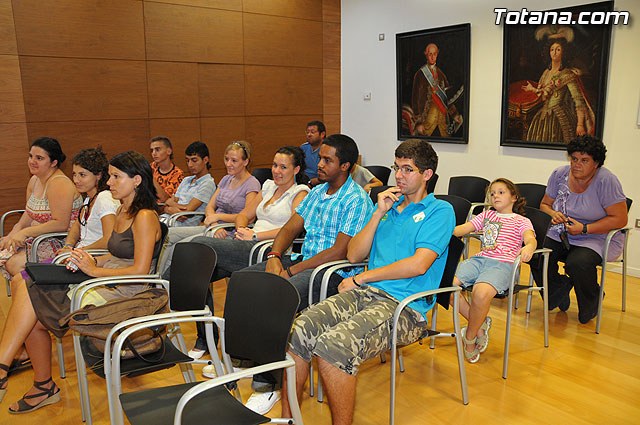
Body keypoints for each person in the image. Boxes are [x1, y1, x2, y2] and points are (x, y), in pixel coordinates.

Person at [280, 139, 455, 425]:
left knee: (333, 347)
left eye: (408, 169)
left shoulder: (440, 212)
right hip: (367, 294)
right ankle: (289, 420)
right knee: (299, 328)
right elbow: (354, 253)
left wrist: (362, 278)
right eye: (396, 168)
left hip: (406, 308)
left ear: (427, 174)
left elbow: (419, 264)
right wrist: (377, 213)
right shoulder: (387, 207)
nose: (399, 175)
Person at [0, 150, 163, 414]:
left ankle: (20, 375)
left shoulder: (145, 216)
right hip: (104, 279)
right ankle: (33, 381)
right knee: (29, 288)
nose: (109, 183)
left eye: (115, 177)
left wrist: (95, 271)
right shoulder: (124, 210)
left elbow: (141, 270)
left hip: (125, 292)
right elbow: (117, 252)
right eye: (109, 176)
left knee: (31, 300)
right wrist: (87, 259)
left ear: (136, 180)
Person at [240, 134, 374, 415]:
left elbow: (340, 251)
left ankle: (267, 386)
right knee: (247, 283)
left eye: (328, 160)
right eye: (320, 157)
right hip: (302, 262)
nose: (320, 164)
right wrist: (275, 257)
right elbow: (290, 228)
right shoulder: (316, 192)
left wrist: (291, 270)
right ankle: (259, 360)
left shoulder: (355, 199)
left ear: (346, 165)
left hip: (331, 273)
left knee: (272, 297)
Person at [187, 146, 310, 365]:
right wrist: (243, 228)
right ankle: (205, 340)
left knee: (198, 245)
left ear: (296, 169)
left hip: (267, 249)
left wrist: (256, 234)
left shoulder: (300, 192)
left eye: (283, 167)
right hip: (246, 243)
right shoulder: (269, 186)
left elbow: (291, 229)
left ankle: (166, 284)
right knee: (199, 272)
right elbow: (244, 214)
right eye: (274, 165)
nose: (277, 171)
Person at [531, 136, 627, 324]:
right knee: (536, 251)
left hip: (596, 237)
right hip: (562, 232)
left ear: (596, 163)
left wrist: (585, 228)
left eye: (584, 160)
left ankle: (592, 301)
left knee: (577, 263)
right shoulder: (559, 175)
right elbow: (544, 204)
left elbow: (620, 219)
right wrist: (552, 214)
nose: (577, 165)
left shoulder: (607, 181)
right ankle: (558, 289)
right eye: (574, 159)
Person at [452, 178, 536, 363]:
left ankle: (469, 338)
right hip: (480, 260)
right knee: (447, 287)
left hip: (503, 264)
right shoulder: (486, 215)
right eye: (492, 193)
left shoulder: (521, 221)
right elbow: (463, 229)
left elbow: (530, 239)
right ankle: (480, 327)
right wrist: (443, 230)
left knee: (480, 294)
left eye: (501, 192)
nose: (495, 195)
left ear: (514, 197)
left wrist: (529, 247)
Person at [157, 141, 260, 276]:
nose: (228, 164)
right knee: (169, 236)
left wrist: (218, 218)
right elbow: (210, 206)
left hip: (231, 232)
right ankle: (160, 280)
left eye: (234, 161)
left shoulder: (252, 183)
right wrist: (215, 223)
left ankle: (169, 283)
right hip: (214, 227)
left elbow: (248, 216)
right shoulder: (226, 179)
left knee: (182, 247)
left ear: (246, 162)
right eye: (227, 159)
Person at [0, 137, 82, 281]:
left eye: (39, 158)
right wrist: (13, 234)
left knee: (13, 264)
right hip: (39, 237)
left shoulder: (59, 183)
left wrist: (25, 233)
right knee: (3, 252)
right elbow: (29, 212)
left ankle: (36, 297)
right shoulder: (35, 180)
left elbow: (60, 223)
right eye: (31, 156)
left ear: (53, 162)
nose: (32, 161)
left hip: (61, 240)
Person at [522, 27, 596, 144]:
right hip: (543, 116)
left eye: (558, 49)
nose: (554, 53)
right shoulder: (546, 73)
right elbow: (543, 95)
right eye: (552, 49)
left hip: (560, 117)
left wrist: (580, 124)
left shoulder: (567, 74)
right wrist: (533, 89)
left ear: (564, 52)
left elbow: (578, 101)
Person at [411, 43, 462, 137]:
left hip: (442, 119)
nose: (432, 57)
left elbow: (447, 97)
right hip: (427, 120)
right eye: (430, 54)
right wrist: (418, 123)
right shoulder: (420, 74)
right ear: (426, 55)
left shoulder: (441, 74)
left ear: (437, 55)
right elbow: (415, 99)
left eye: (434, 54)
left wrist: (454, 114)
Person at [161, 141, 216, 227]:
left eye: (194, 160)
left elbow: (186, 212)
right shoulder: (186, 180)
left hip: (180, 225)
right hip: (167, 219)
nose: (190, 165)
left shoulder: (208, 183)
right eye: (187, 160)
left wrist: (169, 207)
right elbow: (169, 202)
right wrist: (169, 209)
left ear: (205, 160)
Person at [150, 136, 184, 203]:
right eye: (152, 150)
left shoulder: (177, 174)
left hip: (163, 210)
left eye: (158, 149)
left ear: (169, 151)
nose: (154, 153)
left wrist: (149, 176)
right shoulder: (151, 166)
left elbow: (165, 199)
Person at [300, 120, 326, 186]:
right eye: (307, 132)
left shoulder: (327, 150)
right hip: (303, 182)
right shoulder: (303, 147)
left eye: (312, 132)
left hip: (321, 183)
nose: (309, 135)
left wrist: (311, 183)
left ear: (322, 134)